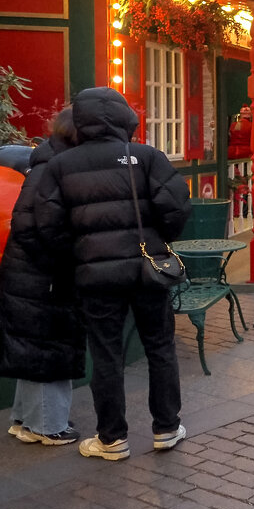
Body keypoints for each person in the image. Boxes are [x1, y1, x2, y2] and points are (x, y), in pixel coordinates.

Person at [35, 87, 192, 461]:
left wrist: (78, 257)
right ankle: (167, 427)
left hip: (95, 278)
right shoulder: (147, 158)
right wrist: (157, 238)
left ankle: (111, 438)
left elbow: (48, 226)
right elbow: (177, 209)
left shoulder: (61, 166)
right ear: (126, 119)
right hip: (146, 271)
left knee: (106, 354)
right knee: (160, 347)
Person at [1, 107, 85, 446]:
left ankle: (24, 420)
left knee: (31, 346)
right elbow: (49, 227)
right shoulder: (59, 170)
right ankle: (47, 426)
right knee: (50, 348)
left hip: (26, 272)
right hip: (46, 274)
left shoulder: (42, 162)